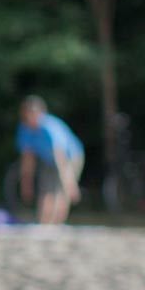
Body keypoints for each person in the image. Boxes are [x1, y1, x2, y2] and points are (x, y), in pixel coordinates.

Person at [16, 96, 85, 227]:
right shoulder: (24, 129)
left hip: (70, 156)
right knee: (46, 190)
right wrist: (26, 184)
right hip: (48, 159)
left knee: (61, 190)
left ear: (41, 113)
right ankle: (43, 224)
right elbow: (28, 159)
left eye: (34, 113)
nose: (31, 117)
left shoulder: (50, 128)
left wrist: (69, 182)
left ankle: (57, 224)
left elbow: (61, 157)